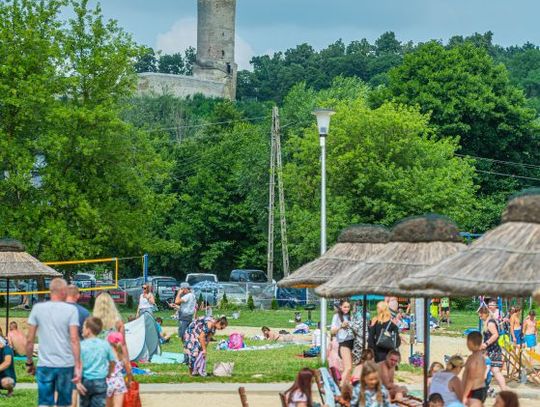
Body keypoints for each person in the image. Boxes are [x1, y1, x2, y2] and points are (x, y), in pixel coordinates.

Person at [26, 278, 81, 407]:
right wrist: (77, 365)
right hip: (66, 364)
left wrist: (29, 361)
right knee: (64, 403)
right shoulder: (71, 310)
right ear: (63, 291)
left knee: (44, 402)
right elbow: (74, 339)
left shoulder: (38, 309)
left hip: (45, 364)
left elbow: (29, 339)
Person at [93, 293, 133, 382]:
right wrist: (127, 364)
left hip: (98, 361)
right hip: (114, 360)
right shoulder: (118, 323)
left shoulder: (93, 323)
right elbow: (123, 344)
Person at [77, 317, 115, 407]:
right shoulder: (105, 344)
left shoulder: (81, 345)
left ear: (88, 330)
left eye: (84, 327)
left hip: (85, 381)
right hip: (100, 381)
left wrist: (77, 382)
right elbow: (112, 361)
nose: (82, 329)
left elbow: (78, 364)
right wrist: (110, 373)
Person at [479, 306, 507, 391]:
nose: (480, 316)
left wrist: (486, 343)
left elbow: (496, 335)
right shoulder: (488, 322)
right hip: (492, 350)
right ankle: (502, 390)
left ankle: (486, 388)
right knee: (495, 371)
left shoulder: (490, 323)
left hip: (493, 350)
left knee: (492, 371)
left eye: (481, 315)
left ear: (485, 314)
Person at [331, 300, 354, 385]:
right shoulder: (336, 316)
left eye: (348, 307)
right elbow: (332, 331)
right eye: (345, 307)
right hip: (344, 342)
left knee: (348, 368)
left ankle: (346, 386)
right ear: (340, 307)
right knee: (348, 367)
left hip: (352, 341)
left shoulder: (351, 316)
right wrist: (341, 326)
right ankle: (340, 386)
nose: (346, 309)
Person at [462, 331, 487, 407]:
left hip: (474, 390)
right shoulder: (482, 357)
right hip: (481, 388)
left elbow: (471, 379)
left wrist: (464, 395)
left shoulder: (473, 359)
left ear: (470, 342)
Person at [106, 332, 129, 407]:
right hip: (119, 381)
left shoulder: (106, 354)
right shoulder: (121, 355)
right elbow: (128, 368)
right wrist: (129, 380)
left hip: (107, 381)